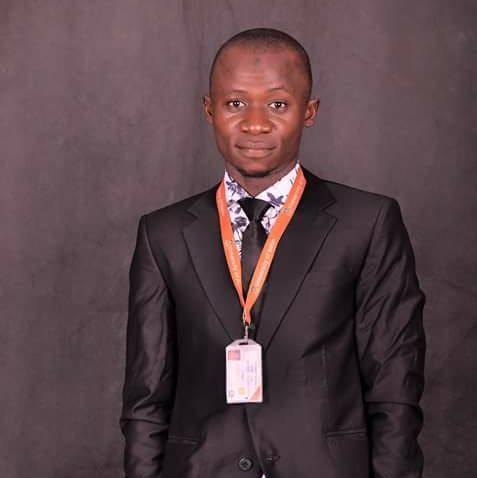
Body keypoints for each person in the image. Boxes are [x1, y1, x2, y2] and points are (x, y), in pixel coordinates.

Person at [119, 27, 426, 478]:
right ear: (209, 110)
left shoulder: (368, 223)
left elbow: (394, 389)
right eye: (235, 103)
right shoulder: (162, 234)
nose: (255, 123)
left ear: (309, 111)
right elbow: (146, 400)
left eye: (278, 104)